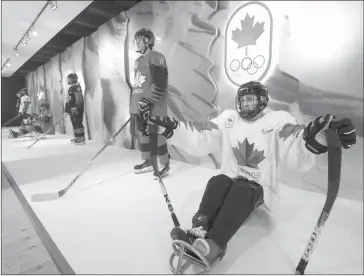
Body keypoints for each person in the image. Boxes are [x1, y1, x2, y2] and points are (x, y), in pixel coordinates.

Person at [167, 81, 356, 265]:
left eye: (251, 100)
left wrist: (320, 137)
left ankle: (214, 245)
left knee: (241, 190)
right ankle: (198, 229)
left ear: (263, 101)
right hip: (231, 179)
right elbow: (203, 134)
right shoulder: (228, 119)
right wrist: (169, 128)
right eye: (242, 100)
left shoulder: (277, 121)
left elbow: (295, 138)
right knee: (217, 181)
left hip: (257, 188)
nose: (245, 105)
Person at [129, 28, 170, 179]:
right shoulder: (138, 61)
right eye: (136, 40)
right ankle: (147, 161)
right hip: (140, 106)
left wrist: (148, 100)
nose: (137, 43)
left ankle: (164, 163)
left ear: (148, 41)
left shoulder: (156, 56)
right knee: (143, 134)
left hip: (154, 106)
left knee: (157, 135)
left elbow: (160, 82)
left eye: (139, 40)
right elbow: (137, 85)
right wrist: (134, 106)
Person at [65, 73, 85, 145]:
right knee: (74, 122)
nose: (68, 80)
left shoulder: (76, 87)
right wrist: (68, 108)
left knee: (78, 122)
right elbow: (70, 99)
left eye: (69, 78)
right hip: (72, 108)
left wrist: (76, 107)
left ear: (73, 79)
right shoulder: (71, 87)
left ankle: (81, 138)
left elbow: (79, 99)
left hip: (76, 108)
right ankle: (77, 136)